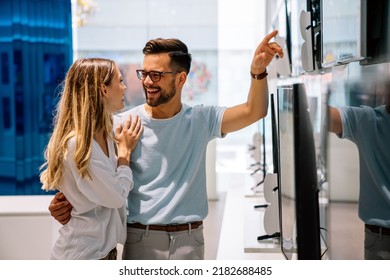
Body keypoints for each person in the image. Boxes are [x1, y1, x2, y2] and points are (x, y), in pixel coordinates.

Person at [48, 30, 284, 260]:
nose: (148, 82)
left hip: (191, 241)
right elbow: (86, 170)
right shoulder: (121, 124)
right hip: (139, 240)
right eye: (144, 73)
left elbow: (254, 111)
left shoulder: (202, 119)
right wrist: (66, 199)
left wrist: (258, 71)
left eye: (157, 75)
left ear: (180, 78)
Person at [40, 58, 143, 259]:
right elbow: (116, 197)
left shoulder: (108, 132)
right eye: (120, 81)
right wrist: (124, 156)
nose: (124, 88)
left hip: (104, 254)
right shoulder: (77, 144)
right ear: (104, 90)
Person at [328, 88, 390, 260]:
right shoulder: (368, 120)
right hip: (381, 238)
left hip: (380, 238)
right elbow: (320, 114)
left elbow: (317, 113)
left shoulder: (367, 120)